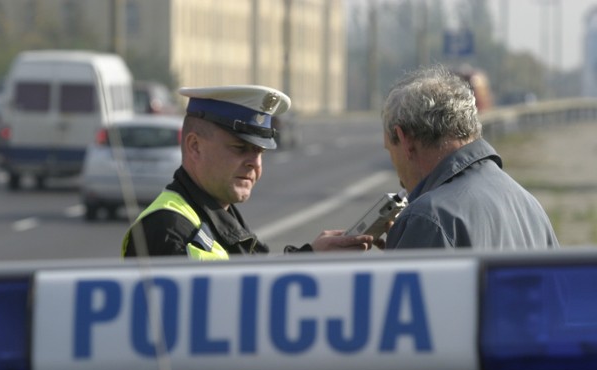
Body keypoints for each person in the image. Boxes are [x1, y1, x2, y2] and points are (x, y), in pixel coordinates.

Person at [122, 84, 373, 259]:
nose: (254, 163)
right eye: (240, 148)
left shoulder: (218, 213)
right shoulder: (167, 227)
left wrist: (311, 256)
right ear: (194, 146)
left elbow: (255, 285)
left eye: (260, 152)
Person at [379, 64, 559, 249]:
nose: (399, 177)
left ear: (404, 140)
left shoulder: (427, 218)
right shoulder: (529, 206)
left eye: (390, 150)